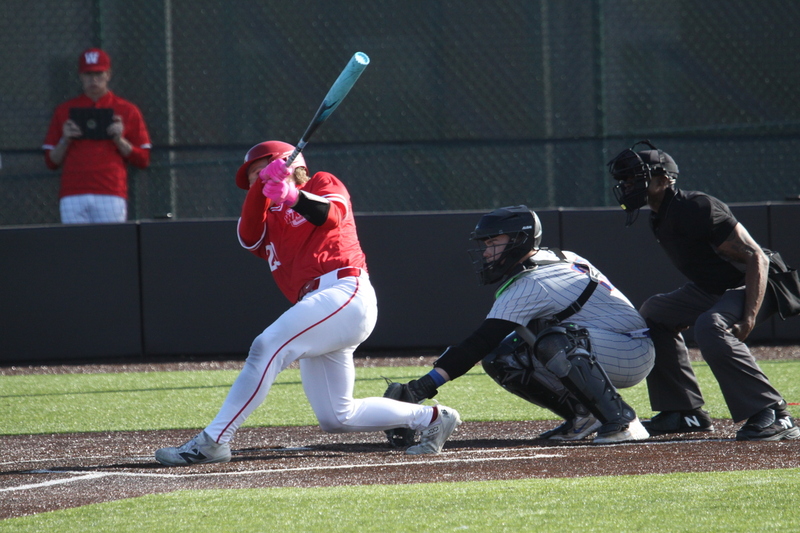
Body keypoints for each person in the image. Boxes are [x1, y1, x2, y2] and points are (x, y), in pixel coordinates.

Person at [155, 141, 460, 465]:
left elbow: (329, 215)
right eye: (254, 176)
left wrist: (292, 194)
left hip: (345, 291)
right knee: (336, 416)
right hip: (319, 307)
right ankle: (433, 418)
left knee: (267, 345)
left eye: (263, 169)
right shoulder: (267, 216)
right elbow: (248, 238)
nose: (259, 178)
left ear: (287, 163)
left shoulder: (321, 182)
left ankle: (214, 441)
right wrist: (263, 190)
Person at [384, 205, 655, 446]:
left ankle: (622, 421)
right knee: (503, 356)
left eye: (493, 242)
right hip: (612, 342)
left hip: (629, 350)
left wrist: (422, 387)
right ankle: (583, 416)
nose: (487, 252)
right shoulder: (561, 255)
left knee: (556, 342)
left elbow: (480, 341)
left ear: (518, 240)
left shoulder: (532, 282)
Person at [607, 140, 799, 441]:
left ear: (663, 179)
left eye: (634, 178)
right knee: (654, 312)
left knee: (711, 326)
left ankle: (774, 413)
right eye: (625, 180)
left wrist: (748, 317)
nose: (627, 185)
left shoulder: (697, 207)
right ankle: (683, 411)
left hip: (758, 283)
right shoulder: (658, 216)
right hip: (714, 289)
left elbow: (755, 257)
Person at [42, 48, 151, 223]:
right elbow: (51, 161)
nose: (93, 79)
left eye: (99, 73)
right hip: (73, 192)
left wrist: (119, 139)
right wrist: (66, 139)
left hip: (110, 191)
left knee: (109, 247)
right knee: (76, 246)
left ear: (108, 74)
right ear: (80, 76)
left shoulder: (127, 110)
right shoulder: (64, 110)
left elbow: (143, 159)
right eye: (88, 74)